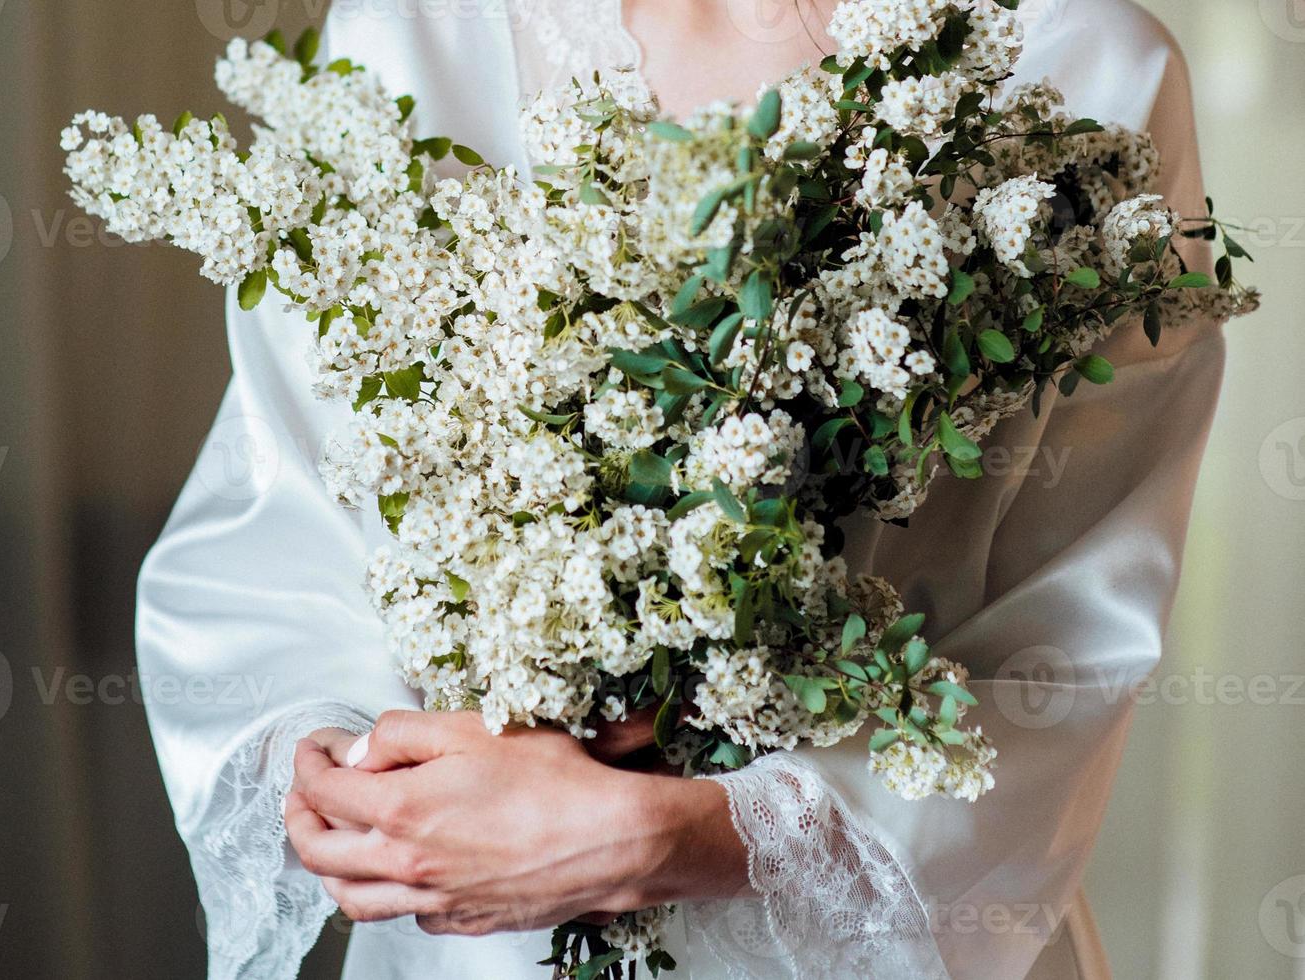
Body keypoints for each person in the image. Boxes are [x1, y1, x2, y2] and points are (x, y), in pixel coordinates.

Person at [136, 1, 1226, 976]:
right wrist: (334, 759)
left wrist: (688, 834)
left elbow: (1072, 627)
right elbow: (281, 518)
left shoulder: (1083, 71)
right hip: (475, 933)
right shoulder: (411, 33)